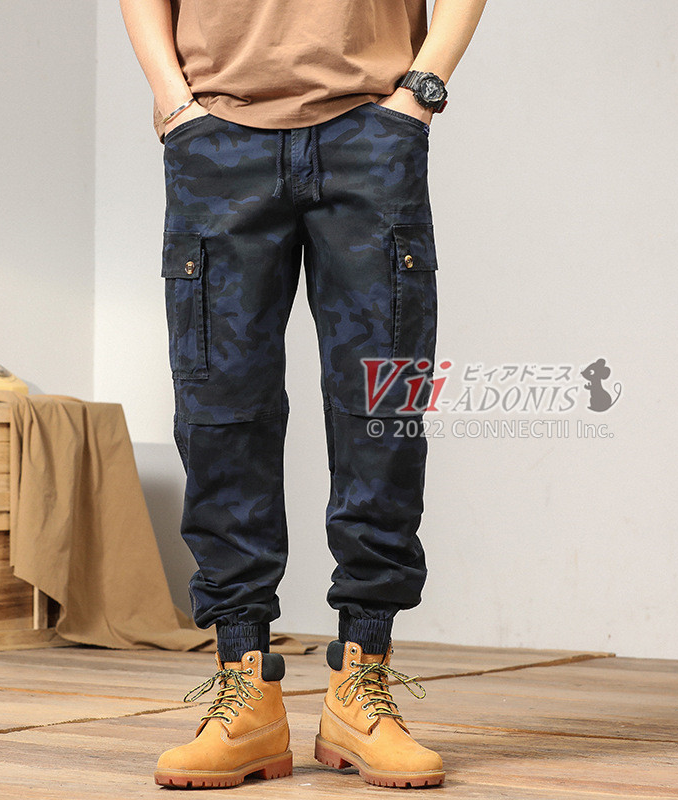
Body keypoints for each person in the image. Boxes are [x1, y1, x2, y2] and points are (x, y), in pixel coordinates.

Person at [120, 0, 487, 789]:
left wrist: (421, 90)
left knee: (382, 412)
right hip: (218, 134)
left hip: (370, 131)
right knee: (221, 414)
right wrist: (172, 99)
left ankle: (362, 685)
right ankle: (245, 691)